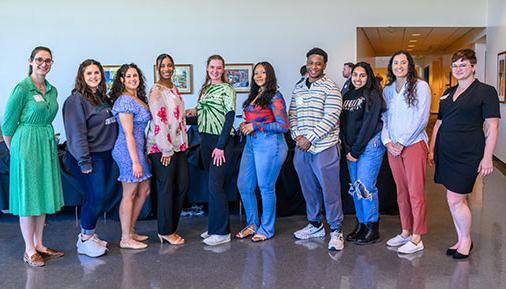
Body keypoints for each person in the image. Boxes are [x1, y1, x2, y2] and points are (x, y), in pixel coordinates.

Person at [429, 49, 500, 259]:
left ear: (473, 67)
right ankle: (461, 238)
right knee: (456, 198)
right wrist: (432, 149)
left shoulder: (486, 91)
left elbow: (492, 126)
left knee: (454, 199)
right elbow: (439, 123)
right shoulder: (448, 92)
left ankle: (466, 241)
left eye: (463, 65)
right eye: (455, 65)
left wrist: (487, 157)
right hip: (446, 151)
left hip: (468, 153)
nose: (458, 69)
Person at [1, 46, 64, 266]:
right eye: (39, 59)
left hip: (45, 143)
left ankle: (39, 244)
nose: (43, 64)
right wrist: (16, 150)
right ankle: (29, 250)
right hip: (26, 144)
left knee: (42, 193)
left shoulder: (52, 89)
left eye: (48, 60)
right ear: (30, 61)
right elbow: (7, 125)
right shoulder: (22, 89)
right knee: (28, 196)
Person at [289, 47, 344, 251]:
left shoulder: (331, 87)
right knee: (309, 189)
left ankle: (336, 230)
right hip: (302, 149)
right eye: (311, 62)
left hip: (324, 147)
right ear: (307, 62)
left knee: (330, 191)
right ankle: (315, 225)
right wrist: (297, 136)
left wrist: (310, 138)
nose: (314, 67)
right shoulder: (299, 87)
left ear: (324, 65)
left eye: (318, 63)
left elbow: (331, 117)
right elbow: (291, 113)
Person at [63, 59, 118, 257]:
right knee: (96, 197)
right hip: (88, 157)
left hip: (104, 156)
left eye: (96, 73)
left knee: (98, 197)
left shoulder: (101, 97)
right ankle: (84, 239)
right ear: (82, 77)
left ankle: (90, 234)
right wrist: (84, 161)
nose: (94, 76)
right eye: (89, 74)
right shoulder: (76, 100)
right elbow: (76, 133)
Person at [381, 50, 431, 254]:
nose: (399, 66)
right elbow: (384, 119)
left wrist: (401, 142)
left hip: (413, 145)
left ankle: (417, 237)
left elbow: (421, 118)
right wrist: (387, 142)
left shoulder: (421, 86)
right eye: (395, 63)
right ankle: (405, 231)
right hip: (392, 148)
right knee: (401, 191)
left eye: (403, 62)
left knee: (415, 192)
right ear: (391, 67)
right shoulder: (388, 90)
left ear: (410, 65)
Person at [236, 61, 289, 242]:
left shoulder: (275, 96)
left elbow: (283, 125)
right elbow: (252, 120)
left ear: (270, 75)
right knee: (244, 185)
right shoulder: (256, 94)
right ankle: (252, 224)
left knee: (266, 187)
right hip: (252, 143)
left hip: (270, 144)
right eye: (256, 73)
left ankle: (266, 228)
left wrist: (255, 125)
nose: (259, 76)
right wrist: (245, 125)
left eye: (263, 73)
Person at [188, 55, 236, 246]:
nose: (215, 71)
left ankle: (223, 232)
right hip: (205, 140)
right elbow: (200, 114)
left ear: (223, 70)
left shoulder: (227, 89)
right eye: (212, 67)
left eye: (219, 67)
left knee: (216, 186)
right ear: (207, 69)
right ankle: (214, 226)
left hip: (220, 142)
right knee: (211, 186)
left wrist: (220, 146)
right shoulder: (205, 89)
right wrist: (180, 115)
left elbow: (229, 117)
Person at [340, 62, 386, 245]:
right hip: (352, 148)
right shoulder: (348, 94)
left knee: (366, 187)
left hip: (369, 146)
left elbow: (369, 125)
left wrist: (356, 150)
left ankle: (372, 227)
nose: (358, 79)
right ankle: (361, 225)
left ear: (369, 77)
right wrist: (348, 148)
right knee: (356, 188)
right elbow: (343, 124)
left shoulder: (372, 95)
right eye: (355, 75)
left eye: (362, 75)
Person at [147, 54, 188, 245]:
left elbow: (175, 116)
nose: (167, 68)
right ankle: (165, 230)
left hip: (177, 145)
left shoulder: (173, 88)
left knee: (182, 185)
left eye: (170, 65)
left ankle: (172, 227)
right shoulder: (156, 91)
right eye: (163, 65)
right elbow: (159, 120)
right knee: (166, 188)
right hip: (162, 148)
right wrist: (166, 149)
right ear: (157, 67)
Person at [110, 63, 152, 249]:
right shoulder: (125, 101)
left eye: (135, 76)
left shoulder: (138, 99)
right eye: (128, 76)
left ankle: (131, 230)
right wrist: (135, 161)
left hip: (138, 149)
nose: (132, 79)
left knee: (144, 191)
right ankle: (125, 238)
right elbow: (128, 134)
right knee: (130, 193)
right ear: (121, 80)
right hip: (127, 151)